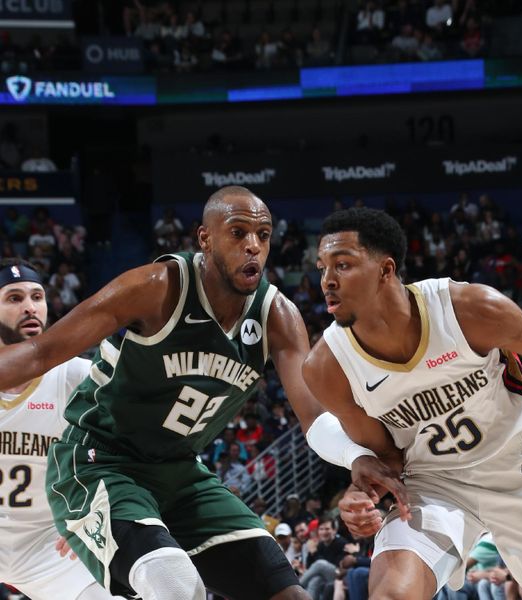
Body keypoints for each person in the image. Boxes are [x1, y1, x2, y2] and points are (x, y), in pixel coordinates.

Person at [0, 188, 404, 600]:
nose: (253, 246)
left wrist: (357, 457)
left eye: (263, 235)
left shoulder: (277, 316)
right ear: (205, 239)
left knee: (290, 595)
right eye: (238, 232)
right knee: (176, 587)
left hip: (179, 471)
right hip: (101, 462)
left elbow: (314, 418)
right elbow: (41, 352)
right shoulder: (156, 288)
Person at [302, 207, 522, 599]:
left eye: (342, 265)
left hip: (519, 471)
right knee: (391, 594)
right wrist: (364, 491)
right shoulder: (328, 366)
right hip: (433, 483)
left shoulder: (468, 310)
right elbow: (388, 458)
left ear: (385, 270)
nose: (327, 281)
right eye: (321, 268)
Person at [0, 259, 117, 600]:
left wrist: (98, 507)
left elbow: (135, 443)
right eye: (14, 298)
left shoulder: (76, 376)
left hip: (49, 543)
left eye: (37, 296)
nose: (30, 307)